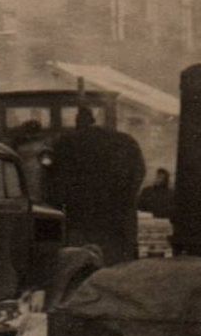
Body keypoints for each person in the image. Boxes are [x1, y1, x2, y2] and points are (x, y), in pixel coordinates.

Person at [43, 106, 146, 266]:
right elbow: (138, 172)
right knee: (118, 258)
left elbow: (54, 182)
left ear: (78, 121)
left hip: (79, 214)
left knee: (80, 259)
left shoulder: (64, 143)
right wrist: (127, 198)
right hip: (117, 214)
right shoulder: (124, 141)